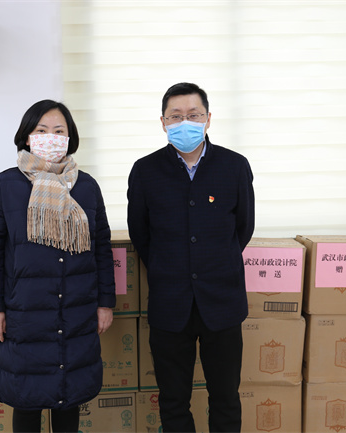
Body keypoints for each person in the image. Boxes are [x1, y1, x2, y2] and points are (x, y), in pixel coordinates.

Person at [0, 99, 116, 433]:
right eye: (41, 130)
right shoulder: (4, 186)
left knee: (69, 396)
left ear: (69, 138)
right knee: (26, 398)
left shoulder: (86, 186)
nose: (50, 137)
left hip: (77, 310)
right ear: (27, 137)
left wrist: (105, 303)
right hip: (24, 313)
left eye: (58, 131)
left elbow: (101, 249)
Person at [127, 82, 255, 432]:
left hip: (222, 301)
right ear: (163, 122)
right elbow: (141, 234)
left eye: (194, 115)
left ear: (208, 119)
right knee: (173, 402)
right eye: (176, 116)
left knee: (225, 398)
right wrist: (169, 267)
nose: (185, 122)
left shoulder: (234, 166)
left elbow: (243, 228)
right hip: (170, 303)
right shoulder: (145, 171)